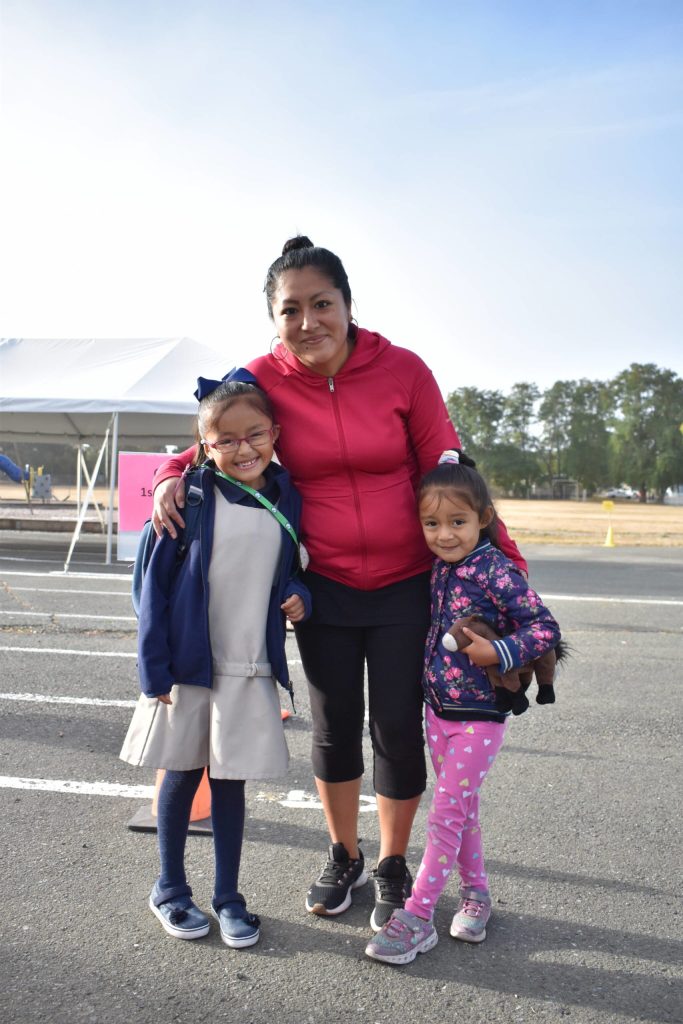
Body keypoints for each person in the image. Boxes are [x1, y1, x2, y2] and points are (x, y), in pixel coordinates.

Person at [151, 235, 527, 931]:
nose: (307, 322)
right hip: (319, 584)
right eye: (289, 309)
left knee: (394, 724)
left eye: (321, 304)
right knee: (332, 729)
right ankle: (342, 852)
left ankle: (389, 862)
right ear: (273, 318)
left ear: (348, 306)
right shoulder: (261, 375)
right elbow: (213, 432)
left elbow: (452, 476)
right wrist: (171, 474)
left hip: (406, 583)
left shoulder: (404, 370)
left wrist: (507, 570)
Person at [120, 371, 311, 947]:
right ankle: (170, 889)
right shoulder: (188, 496)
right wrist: (153, 667)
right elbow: (149, 590)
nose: (242, 448)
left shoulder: (288, 496)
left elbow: (294, 569)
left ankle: (229, 897)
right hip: (188, 667)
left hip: (248, 667)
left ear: (275, 434)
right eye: (225, 439)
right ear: (204, 445)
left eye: (254, 434)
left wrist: (303, 596)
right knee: (181, 775)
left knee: (230, 784)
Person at [365, 450, 561, 964]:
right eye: (431, 523)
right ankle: (477, 895)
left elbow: (544, 628)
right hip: (438, 711)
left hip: (480, 717)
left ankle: (417, 917)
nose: (444, 534)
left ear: (484, 520)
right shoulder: (438, 566)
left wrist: (498, 651)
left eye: (457, 522)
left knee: (446, 814)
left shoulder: (495, 570)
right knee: (463, 810)